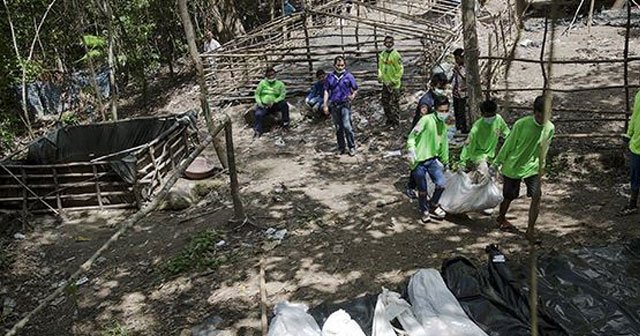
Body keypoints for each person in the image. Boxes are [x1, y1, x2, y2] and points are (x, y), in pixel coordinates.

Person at [492, 95, 554, 233]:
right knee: (509, 196)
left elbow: (544, 148)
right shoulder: (521, 124)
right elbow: (509, 144)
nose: (543, 119)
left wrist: (542, 166)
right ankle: (501, 217)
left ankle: (530, 229)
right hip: (514, 166)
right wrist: (496, 163)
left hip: (533, 167)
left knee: (537, 196)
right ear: (535, 112)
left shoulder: (550, 128)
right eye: (541, 115)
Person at [406, 95, 451, 223]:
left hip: (432, 160)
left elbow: (444, 144)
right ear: (435, 109)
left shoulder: (442, 124)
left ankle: (434, 203)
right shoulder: (425, 120)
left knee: (441, 184)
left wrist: (446, 161)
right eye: (441, 111)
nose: (443, 114)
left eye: (446, 111)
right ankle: (424, 210)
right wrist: (411, 149)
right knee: (422, 190)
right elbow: (412, 136)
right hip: (418, 161)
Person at [460, 99, 510, 170]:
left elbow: (507, 132)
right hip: (478, 155)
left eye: (493, 115)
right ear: (482, 114)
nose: (491, 118)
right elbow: (468, 143)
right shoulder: (477, 127)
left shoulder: (498, 119)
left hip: (492, 155)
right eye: (488, 116)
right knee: (484, 170)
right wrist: (463, 161)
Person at [323, 56, 358, 156]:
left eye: (342, 65)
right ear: (334, 65)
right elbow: (326, 90)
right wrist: (325, 105)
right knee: (338, 128)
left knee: (347, 126)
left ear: (345, 65)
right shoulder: (330, 77)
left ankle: (351, 147)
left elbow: (355, 88)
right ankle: (341, 147)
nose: (340, 67)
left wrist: (353, 96)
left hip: (345, 104)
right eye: (338, 65)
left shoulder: (349, 76)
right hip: (334, 105)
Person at [253, 67, 290, 138]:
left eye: (272, 74)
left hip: (275, 104)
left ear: (275, 74)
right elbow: (257, 94)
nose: (271, 76)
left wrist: (274, 101)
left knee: (284, 105)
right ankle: (257, 131)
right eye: (269, 75)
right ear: (266, 76)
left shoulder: (280, 84)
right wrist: (259, 102)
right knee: (258, 114)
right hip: (264, 105)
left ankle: (285, 124)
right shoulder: (262, 83)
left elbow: (282, 95)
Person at [621, 88, 640, 215]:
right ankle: (633, 204)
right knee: (635, 176)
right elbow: (635, 116)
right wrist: (629, 134)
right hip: (637, 145)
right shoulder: (639, 94)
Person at [378, 36, 404, 126]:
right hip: (385, 84)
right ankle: (389, 120)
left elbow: (400, 70)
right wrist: (380, 76)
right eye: (386, 43)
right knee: (385, 102)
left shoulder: (396, 55)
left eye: (390, 43)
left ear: (393, 43)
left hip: (394, 84)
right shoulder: (382, 54)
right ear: (384, 43)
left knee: (394, 104)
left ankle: (396, 122)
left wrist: (393, 80)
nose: (388, 44)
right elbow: (380, 67)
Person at [452, 48, 469, 133]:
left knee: (462, 113)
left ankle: (464, 130)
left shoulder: (467, 67)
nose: (456, 60)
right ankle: (458, 128)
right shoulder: (458, 67)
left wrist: (458, 71)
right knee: (457, 112)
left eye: (457, 59)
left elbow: (466, 78)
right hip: (456, 93)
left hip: (463, 94)